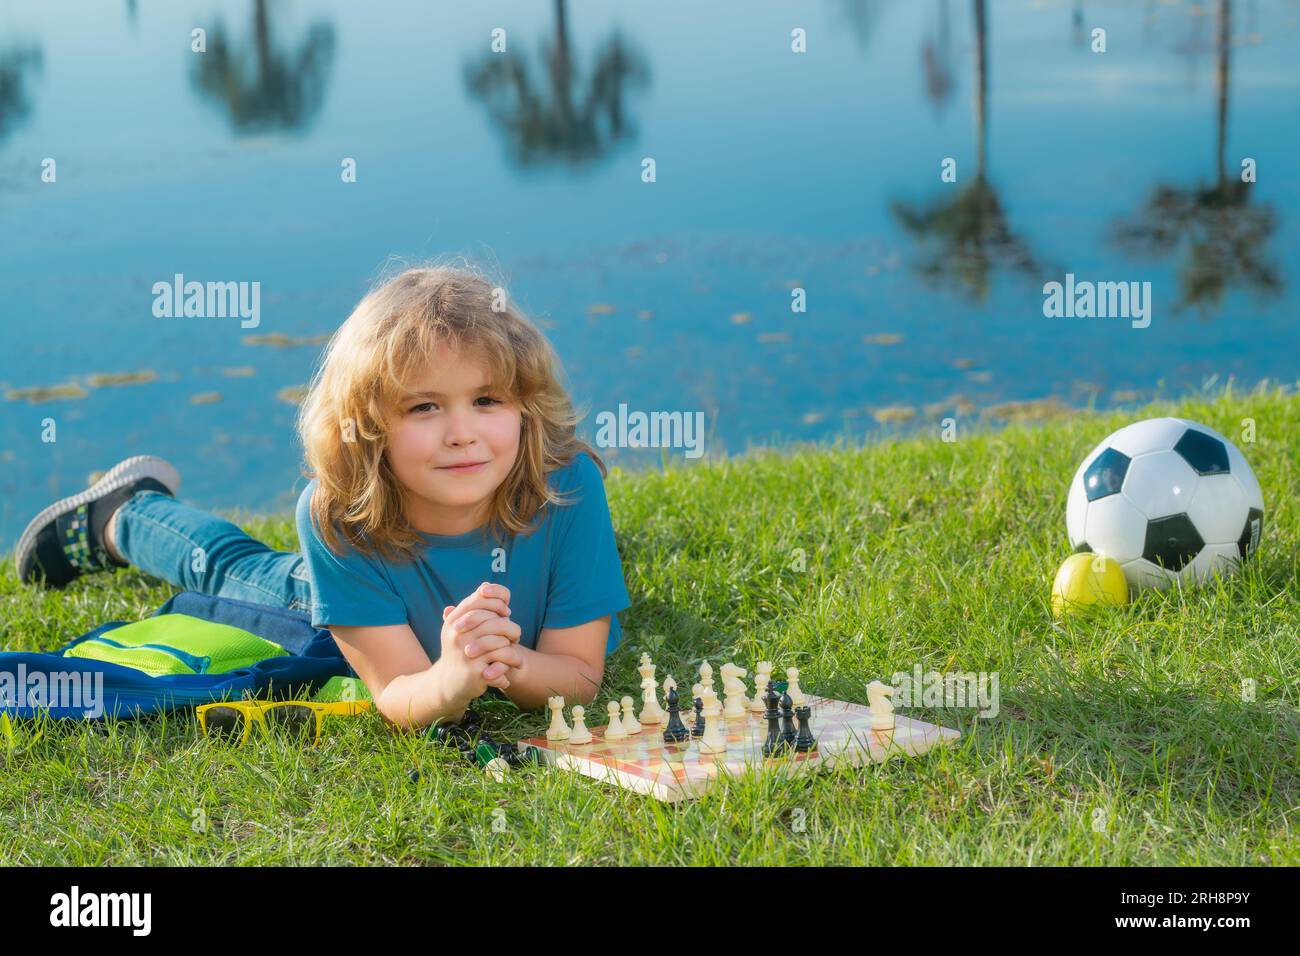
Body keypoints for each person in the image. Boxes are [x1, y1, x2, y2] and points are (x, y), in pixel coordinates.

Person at [15, 264, 631, 732]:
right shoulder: (339, 520)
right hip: (371, 599)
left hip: (462, 616)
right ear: (368, 424)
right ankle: (124, 515)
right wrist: (449, 680)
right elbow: (398, 692)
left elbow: (577, 673)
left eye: (487, 400)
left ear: (525, 406)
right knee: (240, 573)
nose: (462, 432)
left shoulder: (567, 487)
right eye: (424, 407)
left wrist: (508, 663)